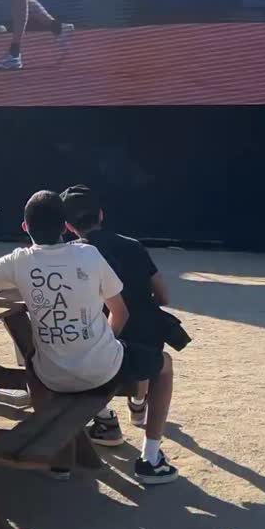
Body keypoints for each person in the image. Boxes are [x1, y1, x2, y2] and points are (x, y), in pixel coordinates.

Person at [0, 191, 178, 485]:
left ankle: (67, 449)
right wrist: (101, 344)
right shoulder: (89, 255)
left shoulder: (18, 261)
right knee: (165, 364)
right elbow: (119, 313)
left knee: (32, 359)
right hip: (103, 368)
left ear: (24, 227)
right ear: (64, 227)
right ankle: (151, 458)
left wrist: (8, 287)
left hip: (53, 377)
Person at [61, 184, 173, 446]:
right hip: (142, 347)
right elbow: (164, 297)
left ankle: (105, 420)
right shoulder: (133, 246)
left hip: (97, 351)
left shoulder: (71, 256)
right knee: (146, 335)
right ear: (101, 215)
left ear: (67, 226)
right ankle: (138, 402)